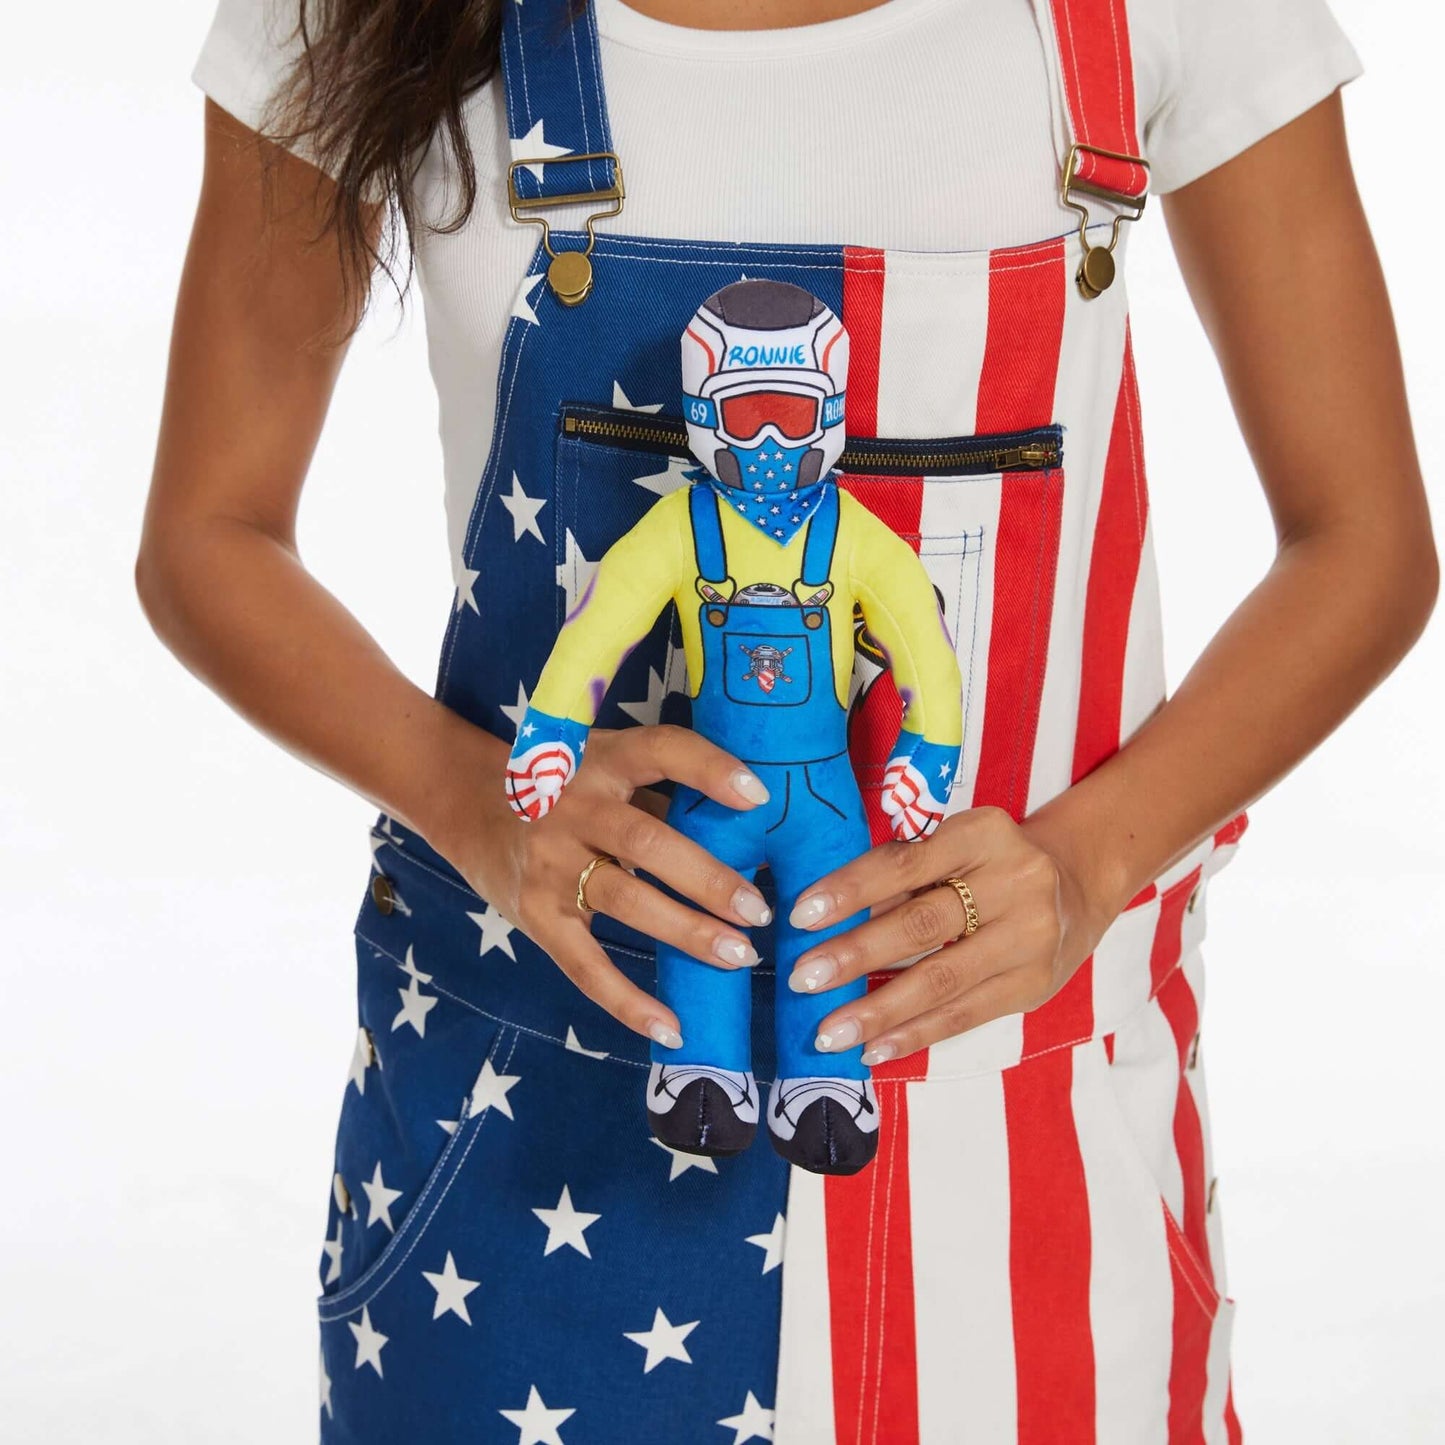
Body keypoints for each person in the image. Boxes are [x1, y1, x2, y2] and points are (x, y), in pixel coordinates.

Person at [137, 0, 1435, 1441]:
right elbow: (208, 531)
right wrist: (475, 803)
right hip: (535, 1140)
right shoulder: (347, 14)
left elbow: (1362, 540)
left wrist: (1082, 865)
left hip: (1015, 1154)